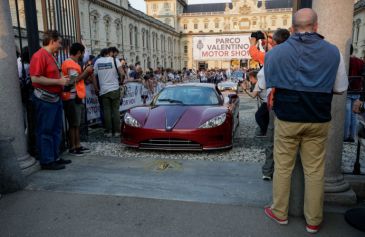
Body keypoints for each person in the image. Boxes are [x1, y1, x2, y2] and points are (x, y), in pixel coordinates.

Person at [264, 9, 348, 234]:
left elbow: (263, 85)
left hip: (287, 118)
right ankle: (313, 221)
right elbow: (340, 89)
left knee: (283, 167)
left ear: (292, 29)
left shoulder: (275, 53)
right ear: (316, 26)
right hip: (317, 118)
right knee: (314, 171)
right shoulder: (334, 52)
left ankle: (280, 213)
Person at [29, 30, 71, 170]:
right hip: (45, 99)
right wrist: (59, 82)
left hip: (53, 99)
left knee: (55, 129)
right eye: (59, 42)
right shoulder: (39, 55)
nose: (60, 45)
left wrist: (60, 81)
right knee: (46, 130)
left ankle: (54, 157)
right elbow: (35, 78)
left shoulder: (50, 56)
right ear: (52, 41)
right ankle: (47, 160)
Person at [61, 43, 93, 156]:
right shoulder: (70, 64)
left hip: (75, 96)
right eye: (83, 53)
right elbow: (73, 81)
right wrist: (86, 72)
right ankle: (73, 147)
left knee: (76, 124)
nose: (83, 55)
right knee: (74, 124)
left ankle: (77, 145)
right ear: (79, 52)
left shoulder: (73, 63)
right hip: (71, 97)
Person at [94, 47, 124, 137]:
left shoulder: (98, 62)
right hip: (114, 88)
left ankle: (108, 132)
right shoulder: (114, 60)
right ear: (108, 53)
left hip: (103, 90)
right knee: (115, 110)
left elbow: (93, 76)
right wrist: (121, 81)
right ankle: (117, 131)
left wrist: (96, 88)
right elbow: (122, 73)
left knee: (106, 111)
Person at [344, 45, 365, 142]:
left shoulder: (346, 61)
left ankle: (345, 136)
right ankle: (353, 136)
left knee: (347, 113)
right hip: (357, 90)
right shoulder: (360, 62)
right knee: (354, 114)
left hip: (348, 90)